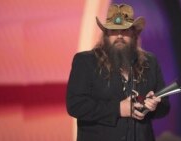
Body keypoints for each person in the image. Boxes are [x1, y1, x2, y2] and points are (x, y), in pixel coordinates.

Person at [66, 3, 170, 141]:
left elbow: (165, 107)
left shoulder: (149, 62)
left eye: (125, 30)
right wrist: (118, 109)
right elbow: (76, 105)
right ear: (106, 34)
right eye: (113, 30)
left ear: (134, 34)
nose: (119, 35)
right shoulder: (86, 61)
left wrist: (153, 106)